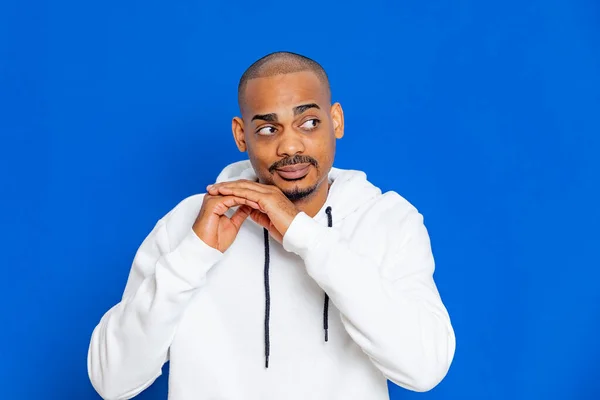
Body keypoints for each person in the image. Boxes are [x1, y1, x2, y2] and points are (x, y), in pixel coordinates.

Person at [87, 51, 456, 400]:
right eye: (267, 129)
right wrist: (193, 255)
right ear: (241, 134)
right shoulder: (188, 223)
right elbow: (112, 381)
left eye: (309, 122)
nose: (289, 145)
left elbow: (423, 369)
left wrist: (307, 238)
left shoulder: (388, 220)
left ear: (336, 121)